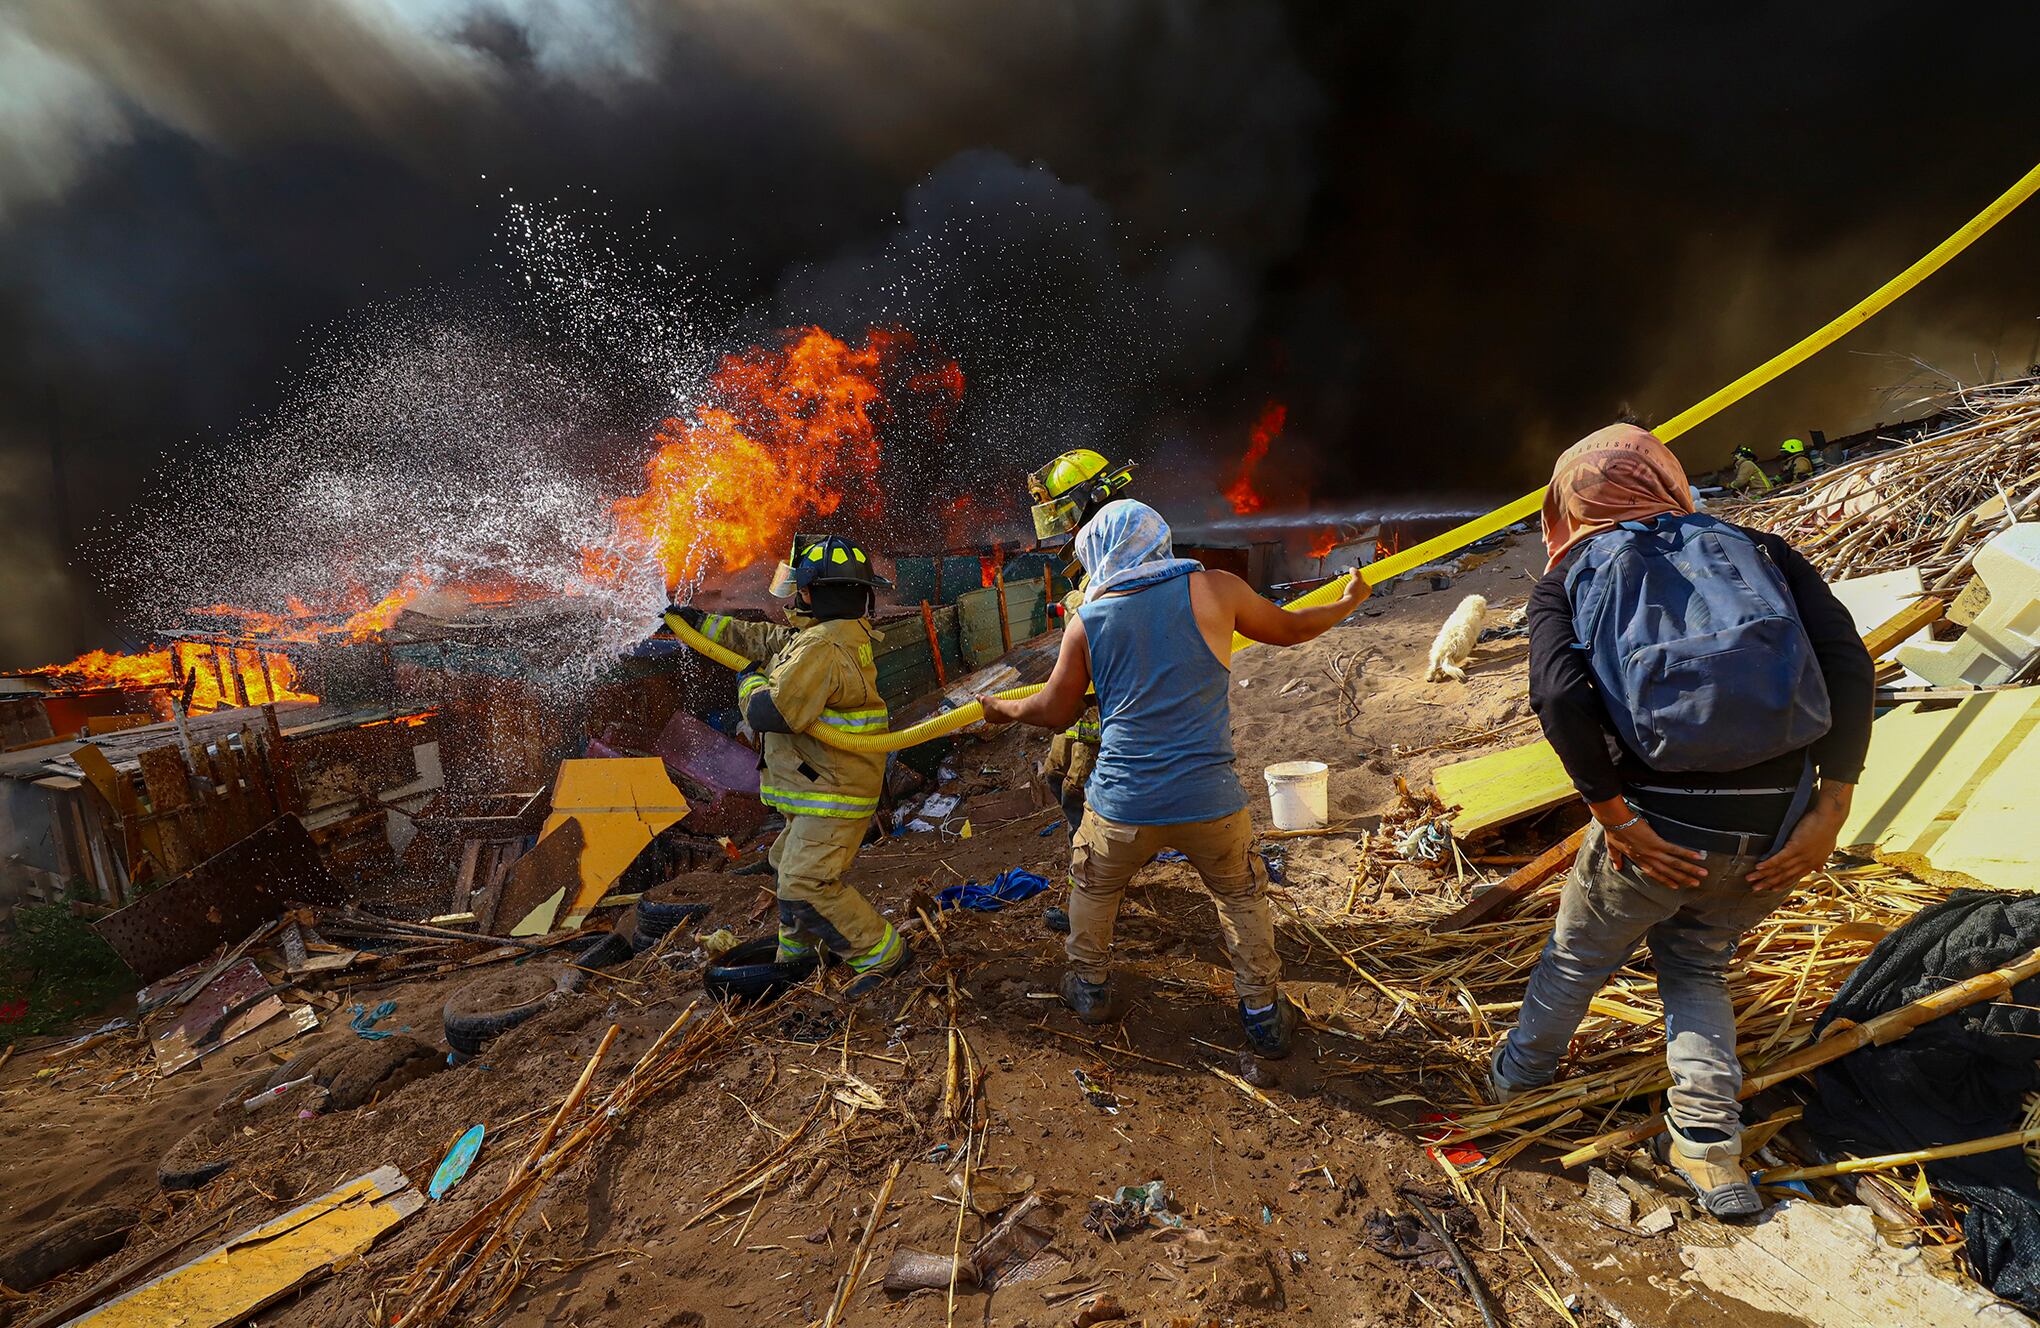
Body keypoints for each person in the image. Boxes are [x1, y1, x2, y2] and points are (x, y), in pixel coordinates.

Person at [1492, 423, 1874, 1219]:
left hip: (1657, 828)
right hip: (1777, 828)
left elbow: (1560, 696)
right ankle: (1709, 1149)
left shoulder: (1568, 578)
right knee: (1696, 967)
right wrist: (1829, 809)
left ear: (1565, 505)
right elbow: (1848, 662)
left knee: (1574, 961)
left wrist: (1617, 819)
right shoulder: (1759, 549)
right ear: (1667, 480)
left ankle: (1512, 1086)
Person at [982, 500, 1369, 1058]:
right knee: (1240, 896)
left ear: (1098, 556)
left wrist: (1002, 709)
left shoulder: (1086, 622)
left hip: (1122, 804)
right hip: (1209, 800)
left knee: (1093, 887)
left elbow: (1054, 710)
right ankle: (1261, 1010)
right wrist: (1346, 601)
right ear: (1158, 538)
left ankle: (1089, 988)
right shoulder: (1217, 590)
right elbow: (1289, 629)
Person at [672, 533, 911, 995]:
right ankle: (798, 957)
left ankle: (883, 957)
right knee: (787, 867)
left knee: (807, 881)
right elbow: (761, 638)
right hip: (821, 788)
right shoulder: (826, 635)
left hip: (832, 796)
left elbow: (770, 712)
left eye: (800, 588)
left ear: (815, 592)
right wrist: (696, 622)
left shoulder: (821, 648)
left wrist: (749, 682)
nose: (794, 598)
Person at [1024, 448, 1137, 830]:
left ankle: (1099, 873)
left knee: (1080, 791)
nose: (1064, 526)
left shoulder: (1126, 545)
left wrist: (1076, 607)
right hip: (1080, 702)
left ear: (1091, 500)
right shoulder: (1093, 549)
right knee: (1056, 775)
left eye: (1064, 512)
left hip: (1108, 706)